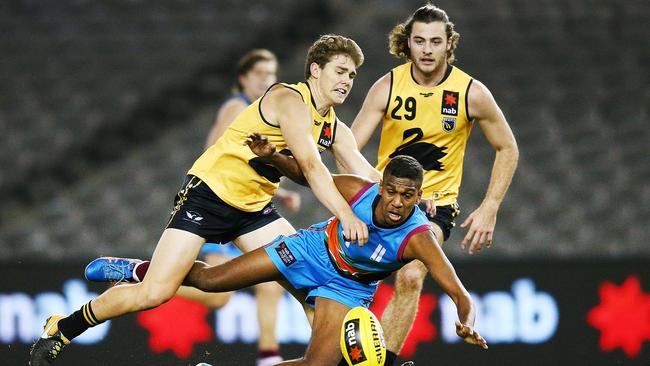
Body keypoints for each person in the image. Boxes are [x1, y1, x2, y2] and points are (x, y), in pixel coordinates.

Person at [30, 34, 379, 366]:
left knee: (311, 286)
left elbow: (367, 176)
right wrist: (347, 215)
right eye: (340, 70)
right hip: (208, 196)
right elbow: (311, 168)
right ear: (316, 70)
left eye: (352, 74)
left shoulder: (334, 127)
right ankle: (65, 327)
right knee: (154, 293)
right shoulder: (289, 101)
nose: (348, 80)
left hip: (254, 209)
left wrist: (416, 202)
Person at [86, 156, 488, 366]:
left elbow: (460, 294)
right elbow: (307, 175)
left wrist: (466, 324)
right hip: (307, 253)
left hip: (346, 289)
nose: (398, 202)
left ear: (419, 197)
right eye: (393, 191)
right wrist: (274, 157)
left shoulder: (418, 238)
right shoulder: (358, 191)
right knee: (212, 282)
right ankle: (137, 269)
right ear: (381, 187)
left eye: (408, 195)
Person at [349, 4, 519, 361]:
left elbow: (507, 147)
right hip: (380, 202)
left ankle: (385, 362)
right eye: (420, 41)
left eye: (435, 42)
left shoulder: (471, 92)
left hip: (433, 206)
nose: (427, 49)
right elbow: (348, 145)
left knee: (412, 275)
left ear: (449, 44)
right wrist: (375, 183)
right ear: (407, 43)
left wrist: (490, 206)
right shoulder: (387, 87)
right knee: (343, 282)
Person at [179, 48, 299, 366]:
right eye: (259, 74)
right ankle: (147, 278)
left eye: (271, 74)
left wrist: (282, 192)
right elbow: (214, 155)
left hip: (246, 207)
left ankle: (268, 356)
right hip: (223, 205)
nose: (266, 80)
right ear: (243, 78)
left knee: (269, 281)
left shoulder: (265, 112)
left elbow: (253, 165)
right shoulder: (237, 106)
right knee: (221, 294)